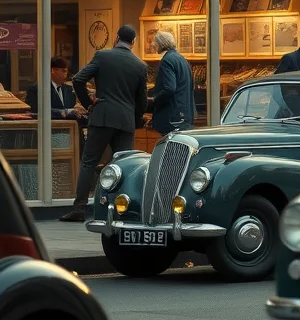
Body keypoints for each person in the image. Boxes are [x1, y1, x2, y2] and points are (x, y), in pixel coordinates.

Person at [61, 25, 148, 222]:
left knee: (89, 162)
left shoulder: (103, 56)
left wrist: (88, 103)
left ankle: (79, 208)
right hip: (125, 121)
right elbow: (142, 100)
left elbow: (78, 79)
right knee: (125, 166)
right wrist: (134, 119)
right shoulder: (140, 65)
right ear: (133, 42)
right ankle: (120, 210)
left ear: (116, 38)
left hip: (102, 116)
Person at [151, 30, 196, 135]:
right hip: (184, 116)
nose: (153, 45)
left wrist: (154, 101)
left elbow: (169, 89)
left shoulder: (166, 61)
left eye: (155, 42)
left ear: (160, 44)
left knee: (169, 148)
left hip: (172, 117)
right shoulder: (182, 59)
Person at [25, 56, 82, 122]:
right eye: (63, 71)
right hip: (48, 128)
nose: (65, 74)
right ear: (53, 70)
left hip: (69, 128)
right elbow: (37, 111)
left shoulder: (69, 89)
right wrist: (65, 112)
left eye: (66, 71)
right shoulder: (37, 89)